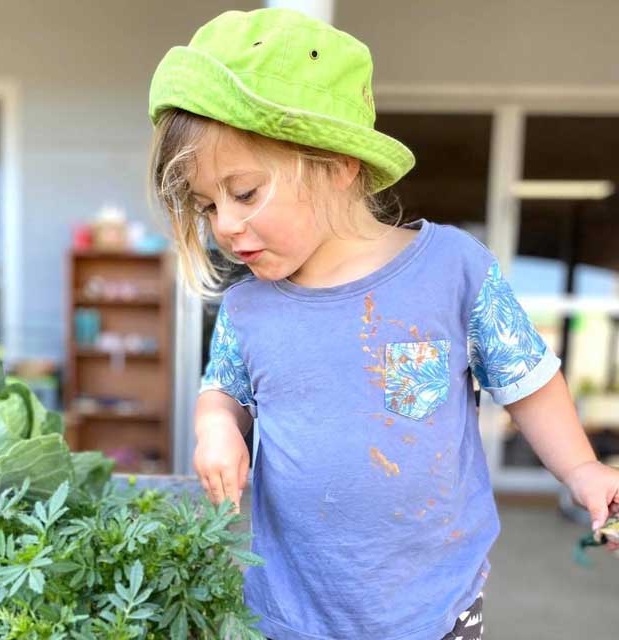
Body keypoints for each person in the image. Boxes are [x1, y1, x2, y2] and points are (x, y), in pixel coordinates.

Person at [147, 8, 619, 640]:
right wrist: (216, 431)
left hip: (434, 607)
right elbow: (223, 391)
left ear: (339, 164)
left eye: (246, 192)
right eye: (207, 205)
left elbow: (527, 382)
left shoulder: (454, 269)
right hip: (290, 609)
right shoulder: (246, 306)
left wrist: (584, 471)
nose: (224, 226)